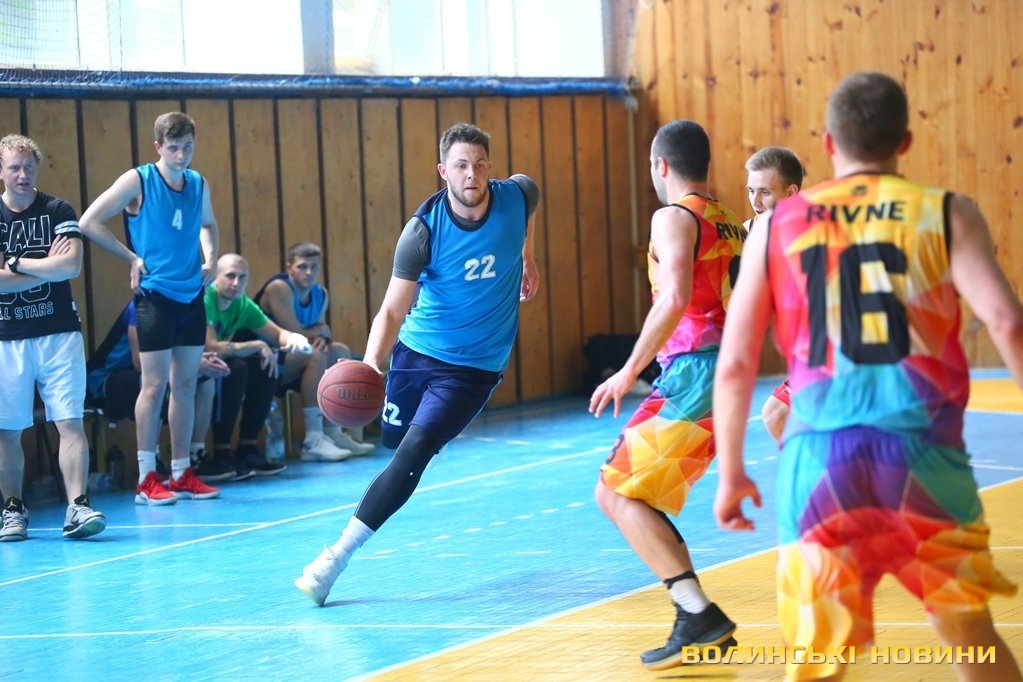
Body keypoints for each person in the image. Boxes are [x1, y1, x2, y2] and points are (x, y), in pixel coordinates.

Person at [713, 71, 1023, 682]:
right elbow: (1008, 325)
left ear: (829, 143)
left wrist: (731, 472)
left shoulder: (774, 226)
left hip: (819, 461)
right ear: (904, 141)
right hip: (922, 454)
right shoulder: (947, 213)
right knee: (970, 637)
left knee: (818, 661)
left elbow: (737, 361)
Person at [294, 122, 540, 606]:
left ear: (490, 167)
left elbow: (530, 206)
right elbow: (391, 310)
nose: (472, 174)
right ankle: (424, 435)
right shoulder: (423, 232)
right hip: (416, 350)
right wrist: (370, 366)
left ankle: (332, 560)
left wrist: (526, 257)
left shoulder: (517, 195)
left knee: (415, 451)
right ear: (443, 171)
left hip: (472, 368)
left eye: (480, 165)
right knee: (393, 441)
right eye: (461, 165)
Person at [587, 119, 746, 670]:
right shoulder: (728, 220)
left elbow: (675, 296)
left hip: (695, 374)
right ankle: (695, 615)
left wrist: (628, 370)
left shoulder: (673, 216)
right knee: (639, 497)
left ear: (661, 164)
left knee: (613, 493)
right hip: (729, 372)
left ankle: (697, 614)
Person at [78, 111, 219, 506]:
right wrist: (132, 258)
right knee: (154, 385)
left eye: (187, 147)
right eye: (173, 148)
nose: (181, 155)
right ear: (158, 146)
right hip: (155, 297)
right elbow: (89, 222)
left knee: (186, 384)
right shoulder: (138, 180)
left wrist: (211, 258)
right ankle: (145, 478)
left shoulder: (198, 183)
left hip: (192, 296)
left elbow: (208, 224)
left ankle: (181, 471)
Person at [0, 133, 106, 541]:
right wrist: (47, 264)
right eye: (14, 167)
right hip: (7, 336)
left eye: (29, 166)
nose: (22, 174)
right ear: (2, 171)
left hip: (59, 334)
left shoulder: (58, 209)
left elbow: (72, 266)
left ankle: (78, 505)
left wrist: (15, 262)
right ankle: (13, 509)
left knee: (70, 421)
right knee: (8, 430)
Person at [85, 300, 235, 485]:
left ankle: (195, 454)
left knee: (204, 378)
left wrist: (199, 362)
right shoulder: (142, 307)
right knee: (155, 380)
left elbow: (178, 355)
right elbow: (140, 363)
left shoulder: (185, 308)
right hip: (103, 380)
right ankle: (151, 461)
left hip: (144, 374)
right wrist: (195, 364)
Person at [252, 241, 373, 458]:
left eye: (314, 267)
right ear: (289, 267)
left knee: (339, 352)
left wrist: (321, 336)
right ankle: (313, 440)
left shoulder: (320, 294)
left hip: (292, 361)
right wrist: (319, 333)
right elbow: (293, 333)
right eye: (302, 267)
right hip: (262, 362)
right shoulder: (279, 288)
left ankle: (333, 431)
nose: (308, 272)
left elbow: (321, 335)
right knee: (314, 355)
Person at [201, 253, 314, 477]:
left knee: (265, 365)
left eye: (242, 277)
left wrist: (294, 339)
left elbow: (277, 334)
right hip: (195, 367)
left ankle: (248, 448)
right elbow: (211, 347)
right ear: (215, 277)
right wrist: (257, 345)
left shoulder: (242, 304)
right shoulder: (206, 299)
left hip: (217, 365)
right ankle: (221, 451)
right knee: (236, 368)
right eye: (230, 276)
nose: (236, 283)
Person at [742, 146, 804, 444]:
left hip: (838, 348)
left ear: (791, 193)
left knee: (776, 413)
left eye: (765, 192)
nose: (755, 201)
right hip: (805, 351)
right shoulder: (746, 233)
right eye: (750, 191)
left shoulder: (810, 234)